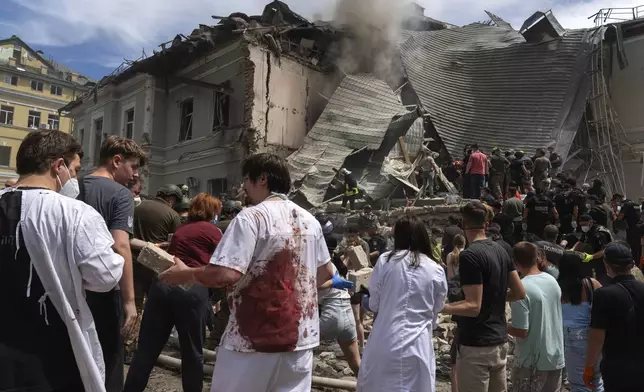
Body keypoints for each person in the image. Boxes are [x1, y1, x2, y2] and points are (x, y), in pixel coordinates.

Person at [159, 153, 334, 392]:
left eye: (246, 180)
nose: (244, 187)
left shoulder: (252, 217)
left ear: (262, 179)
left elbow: (225, 274)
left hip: (252, 340)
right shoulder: (310, 221)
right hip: (300, 342)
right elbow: (326, 272)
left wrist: (185, 274)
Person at [0, 130, 124, 391]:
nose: (76, 178)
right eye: (76, 169)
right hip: (49, 354)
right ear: (59, 166)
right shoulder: (75, 213)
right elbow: (104, 277)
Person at [124, 194, 223, 392]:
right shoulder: (214, 232)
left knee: (146, 350)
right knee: (192, 354)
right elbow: (221, 264)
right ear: (212, 212)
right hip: (192, 289)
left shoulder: (181, 230)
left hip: (162, 285)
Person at [78, 135, 147, 392]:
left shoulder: (74, 185)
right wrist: (130, 302)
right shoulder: (120, 194)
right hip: (104, 291)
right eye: (133, 167)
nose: (135, 175)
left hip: (70, 286)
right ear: (116, 161)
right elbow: (120, 246)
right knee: (109, 358)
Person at [358, 216, 448, 392]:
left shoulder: (385, 261)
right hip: (418, 346)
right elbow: (438, 307)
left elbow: (374, 304)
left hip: (384, 341)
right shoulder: (435, 269)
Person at [442, 201, 525, 392]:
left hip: (477, 344)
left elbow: (473, 306)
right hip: (499, 341)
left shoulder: (470, 255)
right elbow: (519, 292)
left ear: (464, 225)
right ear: (486, 224)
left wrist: (442, 307)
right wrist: (494, 297)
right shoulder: (501, 250)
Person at [584, 242, 644, 392]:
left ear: (606, 265)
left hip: (618, 367)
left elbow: (597, 335)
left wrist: (589, 367)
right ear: (632, 264)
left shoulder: (604, 294)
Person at [508, 242, 565, 392]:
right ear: (537, 258)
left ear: (515, 262)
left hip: (531, 363)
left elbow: (521, 331)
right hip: (555, 358)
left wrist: (501, 324)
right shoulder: (551, 280)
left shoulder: (521, 289)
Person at [557, 251, 603, 392]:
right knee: (596, 380)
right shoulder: (591, 284)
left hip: (570, 337)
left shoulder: (558, 287)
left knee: (579, 385)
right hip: (594, 336)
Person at [131, 184, 183, 309]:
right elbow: (176, 242)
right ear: (171, 199)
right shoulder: (172, 214)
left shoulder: (136, 207)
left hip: (133, 261)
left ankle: (132, 327)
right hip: (156, 265)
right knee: (154, 305)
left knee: (135, 303)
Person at [317, 260, 360, 375]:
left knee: (300, 348)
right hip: (347, 310)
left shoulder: (317, 264)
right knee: (355, 362)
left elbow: (311, 288)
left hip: (332, 311)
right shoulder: (332, 265)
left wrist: (330, 283)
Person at [574, 215, 612, 284]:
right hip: (595, 253)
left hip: (605, 257)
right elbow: (580, 242)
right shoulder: (588, 230)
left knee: (602, 277)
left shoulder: (600, 233)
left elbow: (604, 250)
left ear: (590, 222)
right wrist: (572, 250)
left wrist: (591, 256)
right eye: (581, 225)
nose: (582, 227)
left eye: (584, 224)